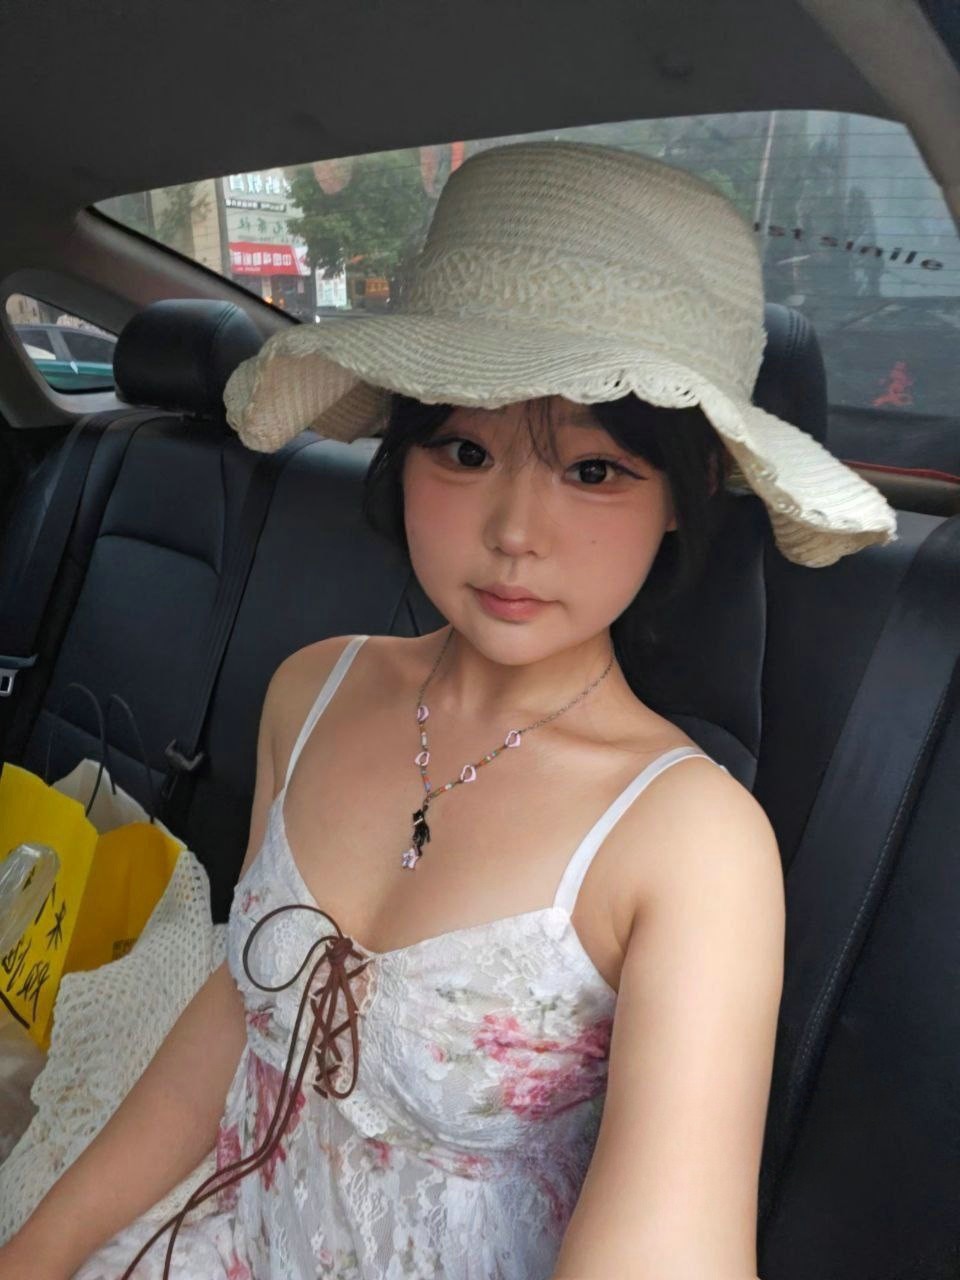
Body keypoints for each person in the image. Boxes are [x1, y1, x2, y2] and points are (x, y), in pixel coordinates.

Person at [0, 140, 896, 1280]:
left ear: (686, 493)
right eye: (466, 450)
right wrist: (37, 1254)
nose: (515, 531)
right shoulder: (311, 689)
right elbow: (238, 1017)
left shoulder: (693, 845)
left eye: (594, 471)